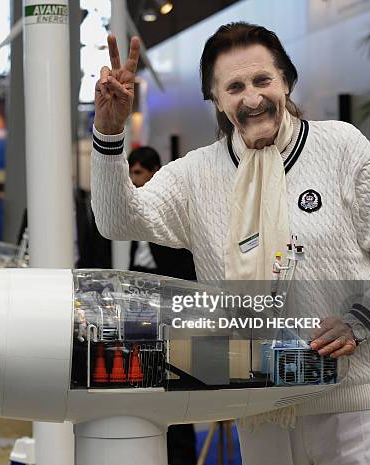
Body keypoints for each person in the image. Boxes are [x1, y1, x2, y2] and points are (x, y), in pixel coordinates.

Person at [90, 22, 370, 465]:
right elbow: (115, 218)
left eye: (263, 80)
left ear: (285, 81)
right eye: (235, 86)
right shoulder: (195, 175)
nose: (252, 97)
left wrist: (359, 319)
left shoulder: (342, 147)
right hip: (256, 400)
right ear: (217, 100)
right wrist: (109, 134)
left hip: (352, 402)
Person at [127, 146, 197, 465]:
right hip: (138, 302)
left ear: (154, 171)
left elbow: (185, 265)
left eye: (138, 173)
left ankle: (181, 456)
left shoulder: (171, 208)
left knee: (175, 386)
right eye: (130, 174)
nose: (134, 180)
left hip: (171, 304)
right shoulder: (130, 209)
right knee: (144, 386)